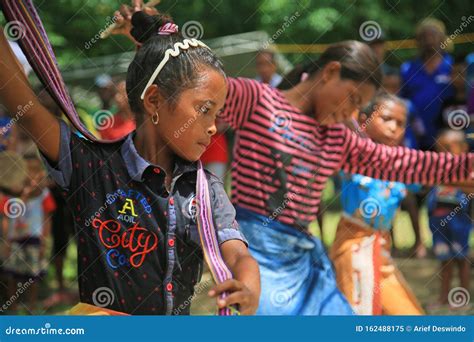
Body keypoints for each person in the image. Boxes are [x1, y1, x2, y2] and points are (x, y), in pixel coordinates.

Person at [103, 3, 474, 316]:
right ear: (330, 73)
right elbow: (195, 78)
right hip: (255, 251)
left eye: (361, 107)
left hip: (305, 257)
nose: (352, 113)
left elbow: (401, 164)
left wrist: (465, 169)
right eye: (352, 99)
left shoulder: (338, 137)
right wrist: (154, 34)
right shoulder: (258, 101)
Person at [0, 9, 260, 315]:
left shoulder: (203, 190)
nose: (214, 126)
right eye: (204, 109)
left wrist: (248, 285)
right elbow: (26, 109)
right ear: (154, 101)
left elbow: (238, 254)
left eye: (217, 113)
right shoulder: (89, 166)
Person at [330, 93, 424, 315]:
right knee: (360, 312)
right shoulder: (354, 155)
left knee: (407, 313)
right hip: (353, 244)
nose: (393, 127)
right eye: (386, 119)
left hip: (380, 246)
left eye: (400, 123)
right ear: (365, 120)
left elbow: (428, 178)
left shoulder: (402, 162)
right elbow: (346, 126)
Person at [3, 154, 56, 313]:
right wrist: (6, 241)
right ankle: (12, 307)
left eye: (35, 170)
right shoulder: (10, 194)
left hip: (34, 238)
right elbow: (6, 218)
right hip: (14, 239)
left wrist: (44, 242)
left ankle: (32, 307)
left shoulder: (44, 195)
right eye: (27, 170)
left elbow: (47, 219)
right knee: (11, 275)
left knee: (32, 277)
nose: (31, 175)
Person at [427, 130, 473, 308]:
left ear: (463, 149)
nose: (442, 154)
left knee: (462, 261)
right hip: (439, 226)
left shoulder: (467, 174)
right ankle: (444, 297)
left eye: (447, 148)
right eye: (439, 149)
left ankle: (462, 299)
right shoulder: (435, 172)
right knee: (444, 261)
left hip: (459, 225)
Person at [400, 18, 453, 151]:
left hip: (447, 137)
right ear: (418, 40)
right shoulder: (408, 68)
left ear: (442, 38)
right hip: (415, 137)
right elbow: (401, 100)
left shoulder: (453, 67)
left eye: (433, 35)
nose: (429, 40)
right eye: (424, 36)